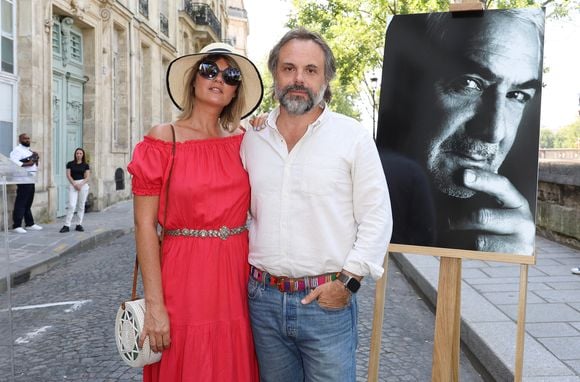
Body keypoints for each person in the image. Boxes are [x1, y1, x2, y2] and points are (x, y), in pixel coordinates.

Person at [241, 28, 393, 381]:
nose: (298, 79)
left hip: (327, 304)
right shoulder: (251, 136)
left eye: (311, 70)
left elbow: (377, 215)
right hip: (262, 303)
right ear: (275, 73)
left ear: (325, 78)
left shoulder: (351, 136)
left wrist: (349, 282)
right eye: (288, 68)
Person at [127, 42, 263, 381]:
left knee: (233, 354)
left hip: (236, 273)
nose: (219, 79)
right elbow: (144, 226)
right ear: (193, 80)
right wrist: (155, 305)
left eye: (230, 75)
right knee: (189, 357)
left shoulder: (246, 140)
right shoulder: (163, 139)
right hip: (183, 273)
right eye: (209, 70)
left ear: (235, 93)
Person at [375, 9, 544, 256]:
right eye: (469, 83)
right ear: (410, 86)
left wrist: (518, 254)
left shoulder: (513, 231)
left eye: (517, 95)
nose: (494, 131)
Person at [9, 133, 43, 234]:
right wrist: (29, 162)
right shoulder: (17, 150)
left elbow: (34, 163)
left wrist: (35, 159)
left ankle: (30, 223)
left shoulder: (29, 150)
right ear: (20, 140)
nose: (27, 140)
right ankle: (17, 225)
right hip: (23, 179)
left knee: (28, 202)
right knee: (21, 202)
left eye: (28, 138)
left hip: (31, 178)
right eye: (25, 139)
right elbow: (14, 162)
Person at [59, 148, 90, 233]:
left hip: (83, 185)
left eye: (80, 153)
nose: (79, 155)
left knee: (81, 205)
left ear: (83, 155)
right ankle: (66, 225)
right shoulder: (70, 164)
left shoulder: (85, 165)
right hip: (73, 184)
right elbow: (68, 175)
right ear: (75, 154)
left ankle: (79, 224)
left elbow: (87, 177)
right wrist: (75, 184)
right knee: (72, 205)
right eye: (77, 153)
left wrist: (81, 184)